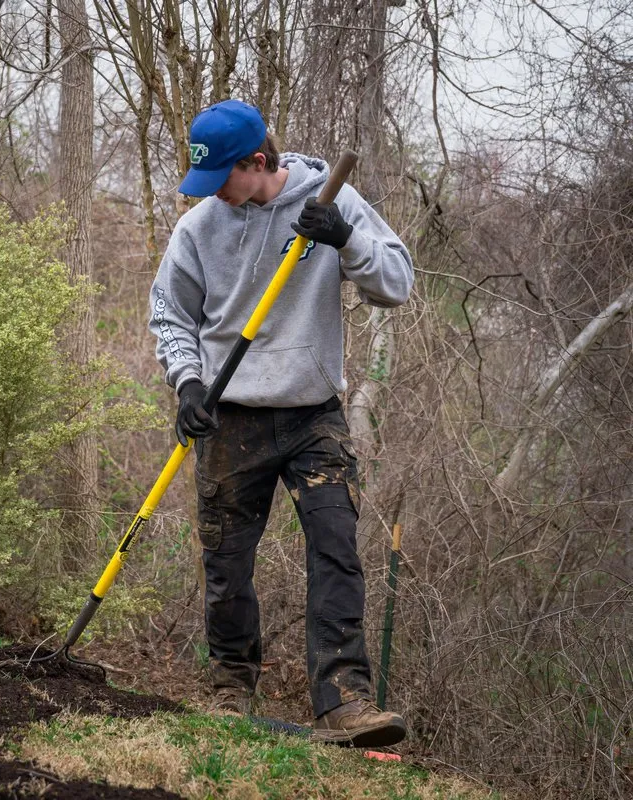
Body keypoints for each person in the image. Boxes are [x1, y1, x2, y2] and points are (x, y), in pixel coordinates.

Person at [148, 99, 413, 747]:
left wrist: (345, 240)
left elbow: (397, 283)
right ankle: (229, 688)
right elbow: (169, 317)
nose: (213, 195)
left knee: (335, 547)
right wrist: (187, 383)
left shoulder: (332, 200)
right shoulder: (200, 228)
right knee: (226, 559)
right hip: (228, 414)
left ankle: (343, 701)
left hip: (311, 413)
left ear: (258, 162)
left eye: (222, 180)